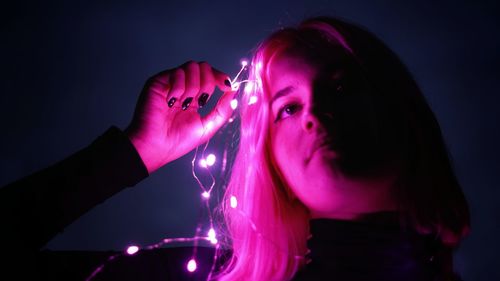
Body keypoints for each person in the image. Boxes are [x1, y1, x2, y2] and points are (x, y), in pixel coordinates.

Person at [0, 16, 469, 281]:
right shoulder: (193, 276)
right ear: (270, 163)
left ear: (399, 110)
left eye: (343, 88)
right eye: (286, 108)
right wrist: (134, 152)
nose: (314, 112)